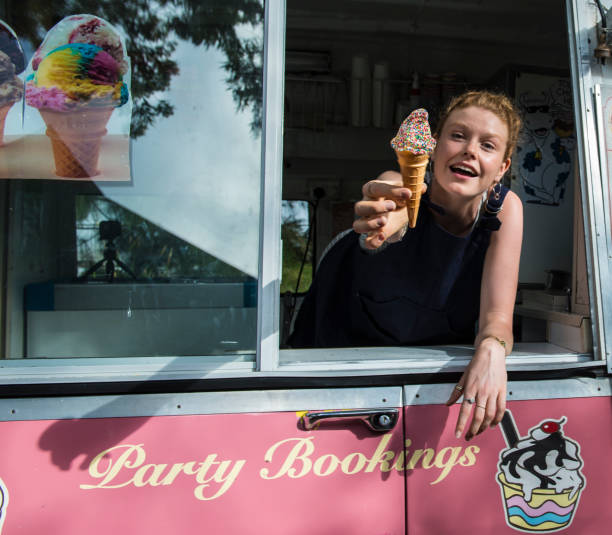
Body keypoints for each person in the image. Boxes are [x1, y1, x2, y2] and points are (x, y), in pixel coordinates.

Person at [289, 90, 523, 441]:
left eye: (487, 145)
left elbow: (498, 320)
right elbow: (391, 186)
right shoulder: (400, 188)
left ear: (502, 168)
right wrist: (387, 217)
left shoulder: (504, 210)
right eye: (457, 135)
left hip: (422, 360)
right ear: (433, 146)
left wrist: (492, 350)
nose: (470, 150)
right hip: (340, 342)